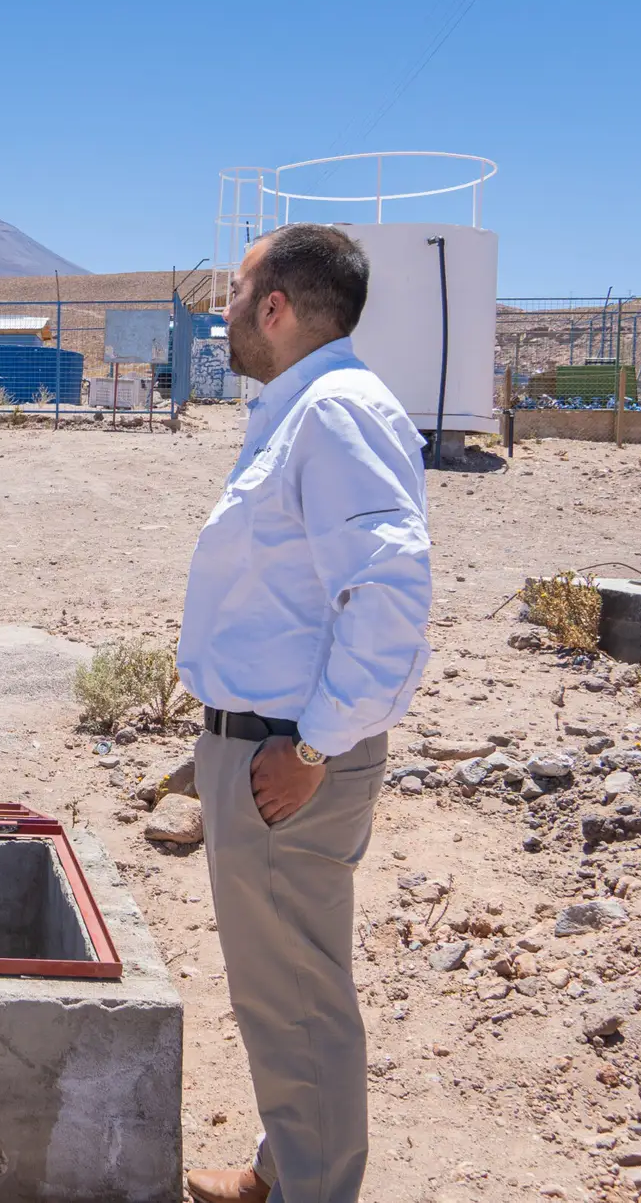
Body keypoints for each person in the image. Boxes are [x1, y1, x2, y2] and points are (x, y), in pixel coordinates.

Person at [176, 224, 432, 1203]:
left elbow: (389, 593)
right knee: (281, 988)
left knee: (298, 998)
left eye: (236, 294)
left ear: (276, 307)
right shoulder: (304, 409)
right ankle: (285, 1166)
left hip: (287, 762)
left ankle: (311, 1189)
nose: (225, 312)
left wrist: (315, 748)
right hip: (265, 750)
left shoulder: (334, 413)